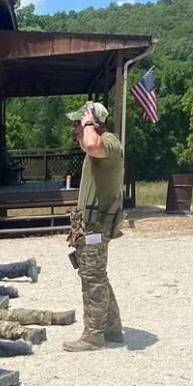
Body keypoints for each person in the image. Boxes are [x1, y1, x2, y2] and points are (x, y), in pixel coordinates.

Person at [63, 101, 124, 352]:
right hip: (89, 224)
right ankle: (112, 328)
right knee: (96, 275)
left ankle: (94, 336)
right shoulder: (97, 146)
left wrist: (88, 124)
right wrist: (84, 128)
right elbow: (86, 143)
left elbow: (91, 143)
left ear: (94, 123)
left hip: (96, 225)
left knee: (93, 278)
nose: (75, 127)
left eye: (79, 122)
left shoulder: (109, 143)